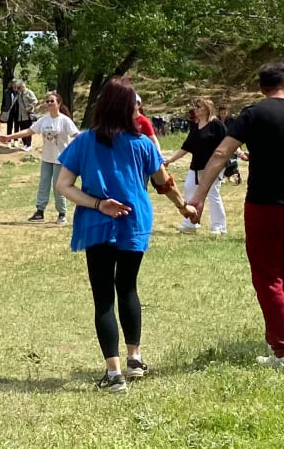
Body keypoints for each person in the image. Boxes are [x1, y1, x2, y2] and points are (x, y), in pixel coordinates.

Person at [183, 61, 284, 372]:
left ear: (261, 88)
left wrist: (197, 198)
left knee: (267, 276)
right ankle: (280, 346)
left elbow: (220, 153)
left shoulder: (253, 114)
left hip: (265, 204)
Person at [54, 77, 185, 392]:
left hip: (98, 223)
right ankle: (135, 359)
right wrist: (184, 208)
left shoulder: (84, 141)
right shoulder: (142, 144)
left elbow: (63, 186)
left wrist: (98, 204)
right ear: (128, 109)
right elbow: (163, 182)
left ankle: (114, 376)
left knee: (103, 298)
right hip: (134, 221)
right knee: (127, 288)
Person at [5, 91, 80, 225]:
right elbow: (29, 131)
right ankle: (40, 212)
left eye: (52, 101)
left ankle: (62, 213)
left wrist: (74, 151)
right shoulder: (44, 120)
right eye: (48, 101)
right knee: (43, 185)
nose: (49, 104)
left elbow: (76, 136)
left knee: (59, 187)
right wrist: (10, 137)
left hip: (60, 159)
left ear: (59, 104)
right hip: (46, 158)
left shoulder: (64, 120)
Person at [163, 99, 230, 235]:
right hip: (196, 166)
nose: (196, 109)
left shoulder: (216, 125)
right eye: (195, 107)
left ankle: (219, 226)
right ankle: (190, 224)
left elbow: (228, 141)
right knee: (189, 189)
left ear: (206, 109)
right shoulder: (195, 127)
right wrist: (170, 160)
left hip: (213, 167)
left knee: (212, 194)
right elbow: (186, 147)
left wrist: (239, 153)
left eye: (198, 107)